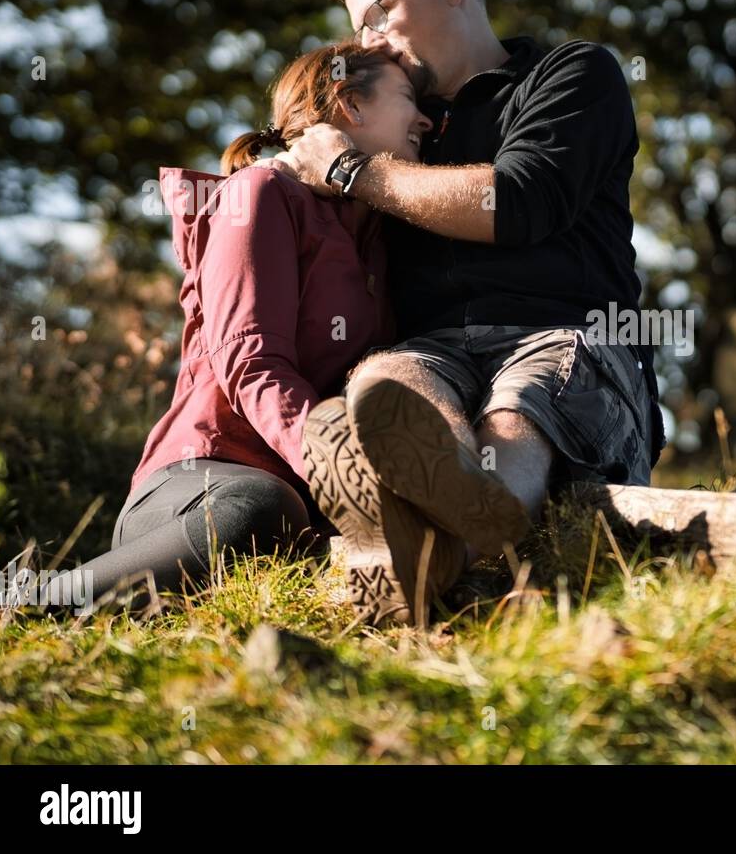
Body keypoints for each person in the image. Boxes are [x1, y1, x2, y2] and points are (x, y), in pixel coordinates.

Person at [273, 0, 667, 599]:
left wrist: (354, 171)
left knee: (521, 405)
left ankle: (463, 535)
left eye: (378, 13)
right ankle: (446, 529)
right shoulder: (399, 118)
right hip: (433, 350)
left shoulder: (572, 75)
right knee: (387, 378)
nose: (367, 41)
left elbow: (516, 203)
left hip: (566, 336)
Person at [41, 43, 467, 626]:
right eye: (407, 100)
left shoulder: (378, 234)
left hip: (306, 503)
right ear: (350, 105)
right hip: (203, 485)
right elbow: (252, 362)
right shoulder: (262, 192)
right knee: (260, 509)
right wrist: (341, 472)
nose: (425, 119)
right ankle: (27, 600)